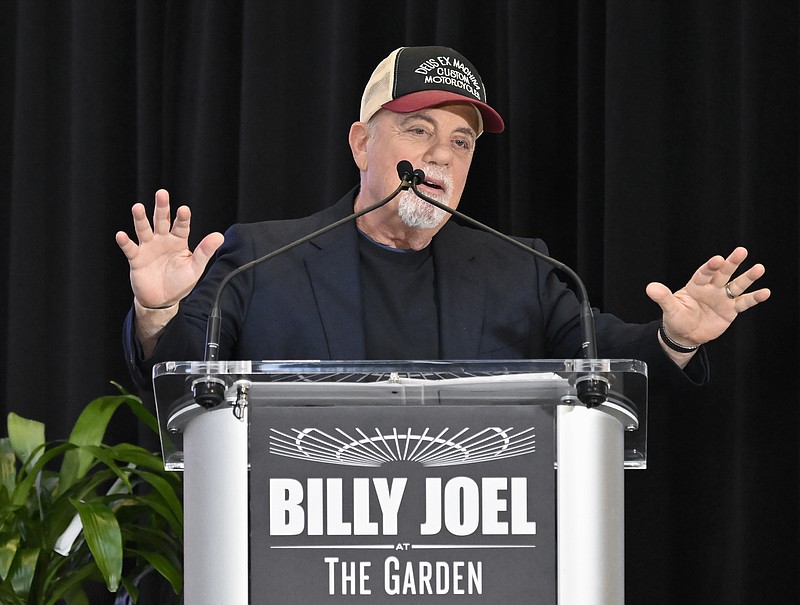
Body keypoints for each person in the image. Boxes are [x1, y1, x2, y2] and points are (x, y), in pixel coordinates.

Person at [116, 46, 770, 390]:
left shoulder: (525, 270)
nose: (440, 155)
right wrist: (157, 315)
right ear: (362, 144)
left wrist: (673, 339)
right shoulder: (257, 261)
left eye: (462, 141)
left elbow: (605, 363)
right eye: (419, 129)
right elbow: (183, 381)